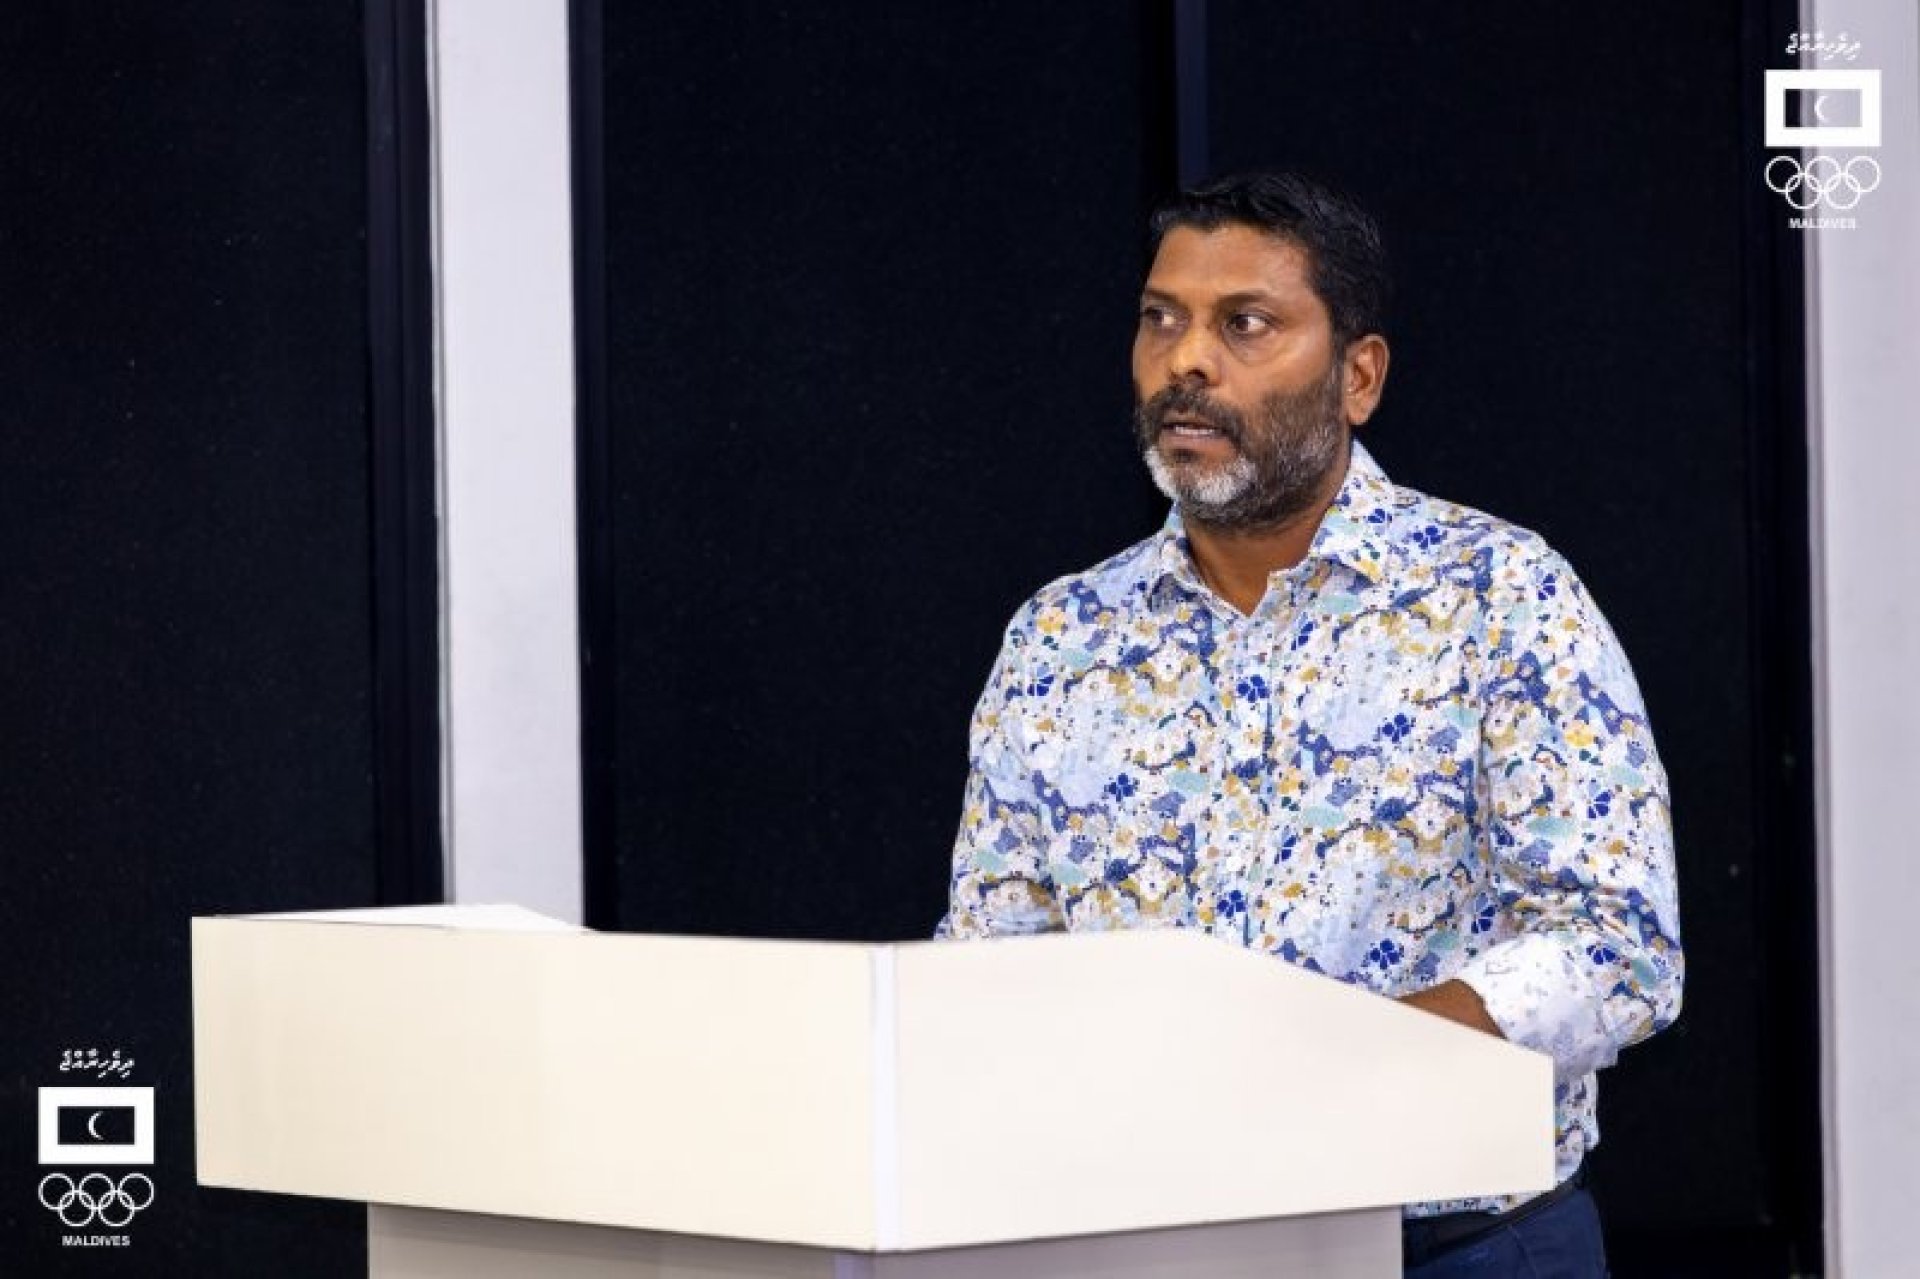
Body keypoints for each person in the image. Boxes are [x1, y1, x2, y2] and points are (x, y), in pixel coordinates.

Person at [935, 171, 1683, 1277]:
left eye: (1245, 323)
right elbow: (990, 971)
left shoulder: (1500, 597)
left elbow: (1619, 949)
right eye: (1161, 318)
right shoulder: (1060, 638)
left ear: (1358, 376)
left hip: (1454, 1246)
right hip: (1148, 1243)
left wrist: (1333, 1059)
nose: (1188, 360)